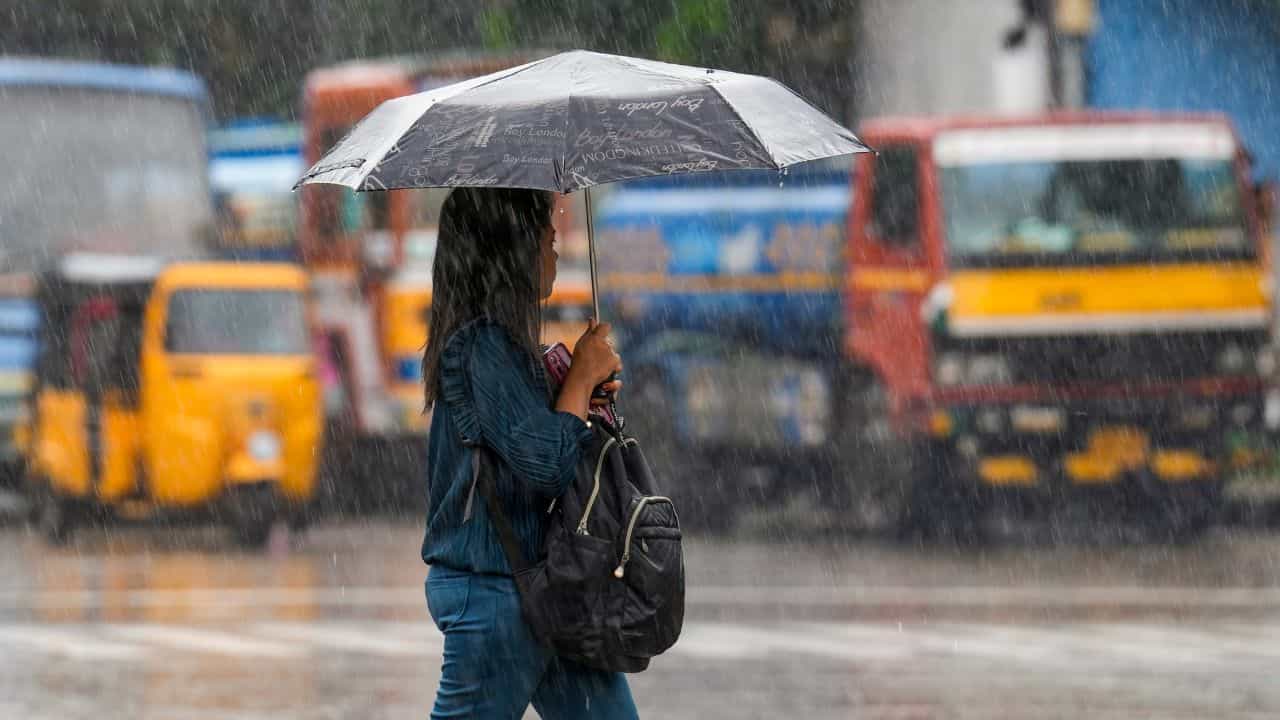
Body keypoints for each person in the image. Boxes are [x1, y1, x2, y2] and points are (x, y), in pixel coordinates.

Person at [419, 187, 634, 719]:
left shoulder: (509, 350)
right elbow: (547, 462)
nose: (556, 251)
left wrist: (583, 390)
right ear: (512, 250)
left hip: (547, 586)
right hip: (496, 593)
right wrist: (580, 378)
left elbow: (544, 438)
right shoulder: (480, 348)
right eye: (547, 238)